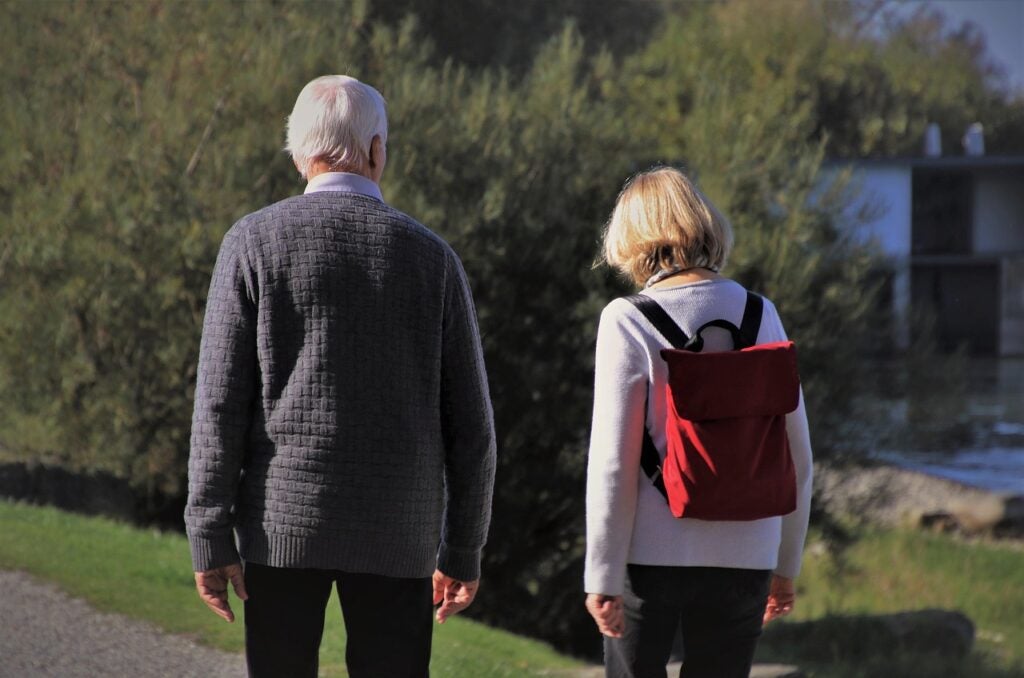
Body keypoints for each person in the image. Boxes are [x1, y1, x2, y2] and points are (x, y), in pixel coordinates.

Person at [184, 75, 497, 678]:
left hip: (281, 526)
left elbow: (219, 405)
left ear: (299, 153)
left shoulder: (252, 243)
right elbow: (472, 427)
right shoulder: (433, 258)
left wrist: (209, 533)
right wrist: (463, 547)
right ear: (377, 150)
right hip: (398, 533)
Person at [583, 167, 813, 678]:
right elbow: (798, 456)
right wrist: (785, 566)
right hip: (747, 554)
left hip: (650, 555)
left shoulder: (628, 319)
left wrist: (601, 572)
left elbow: (614, 465)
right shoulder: (761, 313)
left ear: (631, 237)